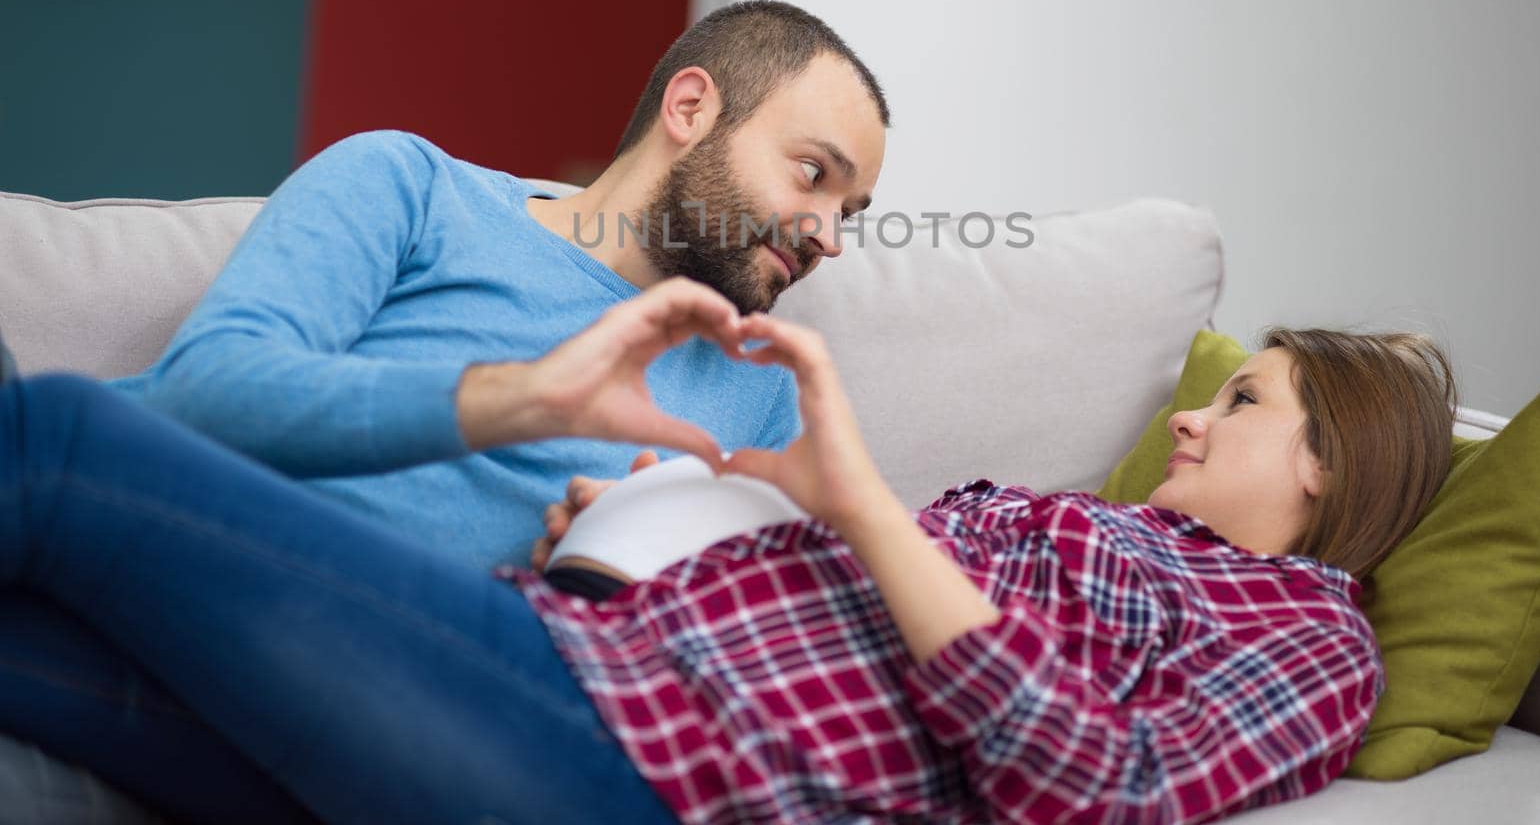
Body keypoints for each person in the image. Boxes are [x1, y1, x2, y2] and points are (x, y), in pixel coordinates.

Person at [0, 283, 1456, 824]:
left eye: (1243, 401)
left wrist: (865, 503)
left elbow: (1105, 790)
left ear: (1336, 463)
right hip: (584, 652)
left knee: (64, 444)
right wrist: (632, 541)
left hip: (650, 764)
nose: (1193, 421)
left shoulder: (1316, 648)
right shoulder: (1121, 529)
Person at [0, 0, 889, 819]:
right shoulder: (415, 186)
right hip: (161, 591)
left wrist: (603, 576)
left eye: (849, 211)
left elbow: (710, 677)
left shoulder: (765, 396)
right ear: (691, 108)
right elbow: (201, 398)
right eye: (812, 174)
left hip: (407, 715)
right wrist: (528, 398)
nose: (830, 235)